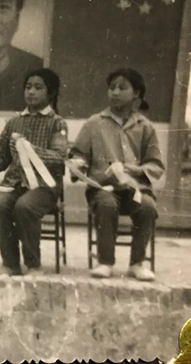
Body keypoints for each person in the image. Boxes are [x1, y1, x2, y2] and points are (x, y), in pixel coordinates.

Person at [70, 68, 164, 281]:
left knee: (148, 206)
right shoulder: (94, 123)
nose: (115, 92)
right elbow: (79, 154)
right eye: (112, 87)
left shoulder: (145, 127)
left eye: (122, 88)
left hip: (135, 189)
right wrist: (77, 165)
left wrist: (136, 170)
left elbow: (156, 164)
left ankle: (137, 263)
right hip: (103, 188)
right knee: (107, 204)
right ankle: (105, 262)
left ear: (136, 94)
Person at [0, 69, 67, 276]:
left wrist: (31, 149)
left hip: (44, 186)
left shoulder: (57, 123)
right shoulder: (13, 122)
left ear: (50, 93)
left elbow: (59, 156)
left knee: (24, 207)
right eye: (28, 87)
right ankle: (10, 263)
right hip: (14, 184)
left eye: (38, 88)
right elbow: (3, 158)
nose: (31, 92)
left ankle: (33, 264)